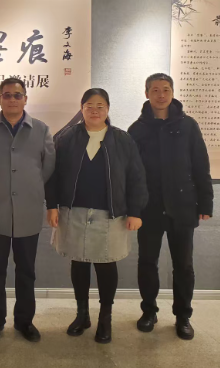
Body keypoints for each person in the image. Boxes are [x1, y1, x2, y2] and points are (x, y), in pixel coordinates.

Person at [46, 88, 148, 344]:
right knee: (79, 262)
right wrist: (52, 206)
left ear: (108, 109)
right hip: (73, 211)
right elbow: (53, 174)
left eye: (100, 105)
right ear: (81, 109)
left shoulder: (122, 139)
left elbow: (136, 177)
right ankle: (82, 315)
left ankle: (105, 318)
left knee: (106, 264)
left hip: (110, 214)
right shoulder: (67, 137)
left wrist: (135, 211)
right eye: (89, 105)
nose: (94, 110)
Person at [128, 73, 213, 340]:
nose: (161, 95)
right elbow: (131, 174)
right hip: (149, 208)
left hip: (182, 206)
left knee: (184, 265)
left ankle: (183, 316)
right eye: (155, 90)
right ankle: (149, 311)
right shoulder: (137, 129)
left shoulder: (188, 126)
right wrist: (132, 208)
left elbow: (201, 165)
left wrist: (206, 202)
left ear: (173, 92)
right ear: (147, 94)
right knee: (147, 262)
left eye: (166, 89)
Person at [0, 78, 55, 342]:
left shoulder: (41, 129)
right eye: (7, 95)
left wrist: (27, 187)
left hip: (28, 212)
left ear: (25, 99)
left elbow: (47, 168)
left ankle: (25, 321)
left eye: (17, 95)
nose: (12, 99)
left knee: (26, 271)